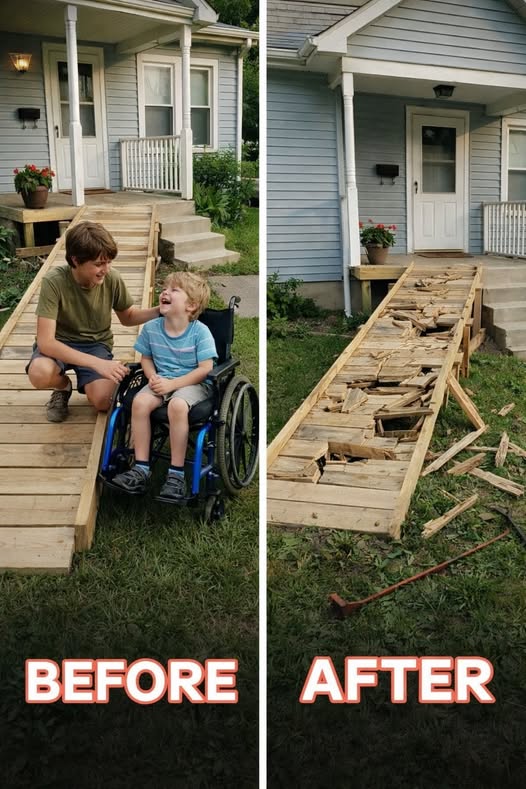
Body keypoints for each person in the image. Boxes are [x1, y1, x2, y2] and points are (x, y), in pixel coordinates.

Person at [26, 220, 160, 422]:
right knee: (39, 373)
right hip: (59, 344)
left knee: (104, 401)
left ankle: (89, 381)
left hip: (95, 345)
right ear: (76, 260)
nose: (106, 269)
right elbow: (46, 342)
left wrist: (161, 311)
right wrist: (99, 365)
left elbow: (129, 317)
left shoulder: (112, 278)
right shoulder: (54, 282)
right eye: (99, 264)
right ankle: (63, 387)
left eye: (108, 262)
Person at [111, 271, 217, 501]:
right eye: (165, 288)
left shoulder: (200, 332)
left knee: (178, 406)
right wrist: (152, 378)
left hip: (191, 382)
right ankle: (141, 468)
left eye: (174, 290)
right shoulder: (151, 328)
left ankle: (176, 474)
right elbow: (146, 358)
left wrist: (173, 384)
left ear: (191, 305)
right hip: (161, 380)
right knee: (139, 402)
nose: (165, 292)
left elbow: (205, 369)